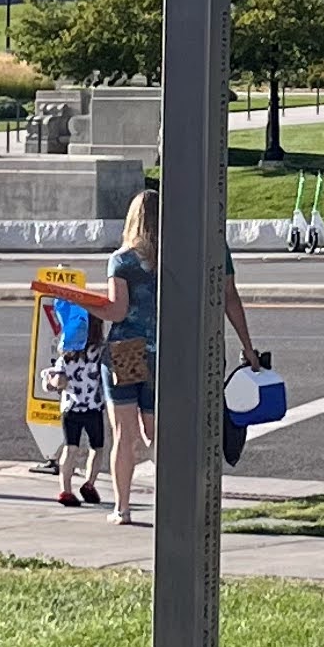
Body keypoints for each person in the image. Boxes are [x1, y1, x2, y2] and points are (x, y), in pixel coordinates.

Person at [85, 183, 267, 527]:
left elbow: (118, 311)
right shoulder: (177, 257)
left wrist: (84, 301)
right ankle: (169, 503)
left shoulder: (121, 260)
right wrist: (247, 346)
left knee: (123, 434)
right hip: (162, 351)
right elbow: (228, 296)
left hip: (125, 350)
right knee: (159, 433)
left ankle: (122, 508)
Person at [52, 294, 107, 506]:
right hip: (93, 407)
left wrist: (52, 379)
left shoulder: (66, 355)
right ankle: (89, 483)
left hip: (71, 407)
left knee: (70, 448)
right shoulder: (99, 353)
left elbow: (58, 382)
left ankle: (65, 489)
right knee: (97, 447)